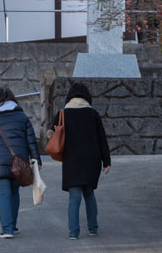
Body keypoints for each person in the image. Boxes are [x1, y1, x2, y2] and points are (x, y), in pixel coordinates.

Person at [0, 86, 42, 239]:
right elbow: (31, 141)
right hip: (18, 162)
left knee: (2, 194)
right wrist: (36, 160)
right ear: (13, 100)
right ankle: (12, 226)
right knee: (13, 193)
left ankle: (7, 229)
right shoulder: (22, 117)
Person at [51, 82, 111, 240]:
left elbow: (52, 134)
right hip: (92, 161)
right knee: (89, 194)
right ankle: (93, 228)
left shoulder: (62, 113)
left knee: (74, 196)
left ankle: (73, 232)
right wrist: (107, 161)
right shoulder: (93, 114)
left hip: (72, 161)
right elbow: (102, 139)